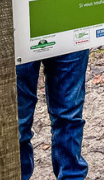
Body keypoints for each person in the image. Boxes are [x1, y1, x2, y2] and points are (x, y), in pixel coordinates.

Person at [16, 50, 90, 179]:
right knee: (17, 125)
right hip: (15, 41)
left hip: (69, 39)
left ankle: (71, 176)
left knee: (69, 118)